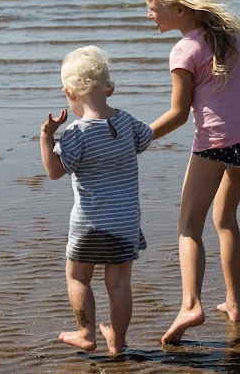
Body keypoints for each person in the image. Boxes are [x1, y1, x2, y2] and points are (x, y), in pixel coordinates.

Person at [142, 0, 240, 344]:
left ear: (180, 8)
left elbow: (177, 114)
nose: (148, 13)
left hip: (217, 144)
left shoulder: (184, 50)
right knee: (225, 218)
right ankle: (235, 303)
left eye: (153, 5)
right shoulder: (230, 33)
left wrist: (137, 137)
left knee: (189, 225)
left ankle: (191, 303)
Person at [39, 45, 154, 354]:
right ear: (110, 89)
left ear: (69, 93)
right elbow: (147, 137)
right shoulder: (128, 123)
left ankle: (86, 333)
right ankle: (117, 341)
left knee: (77, 277)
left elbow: (54, 171)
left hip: (89, 224)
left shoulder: (76, 133)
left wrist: (47, 138)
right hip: (125, 223)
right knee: (118, 285)